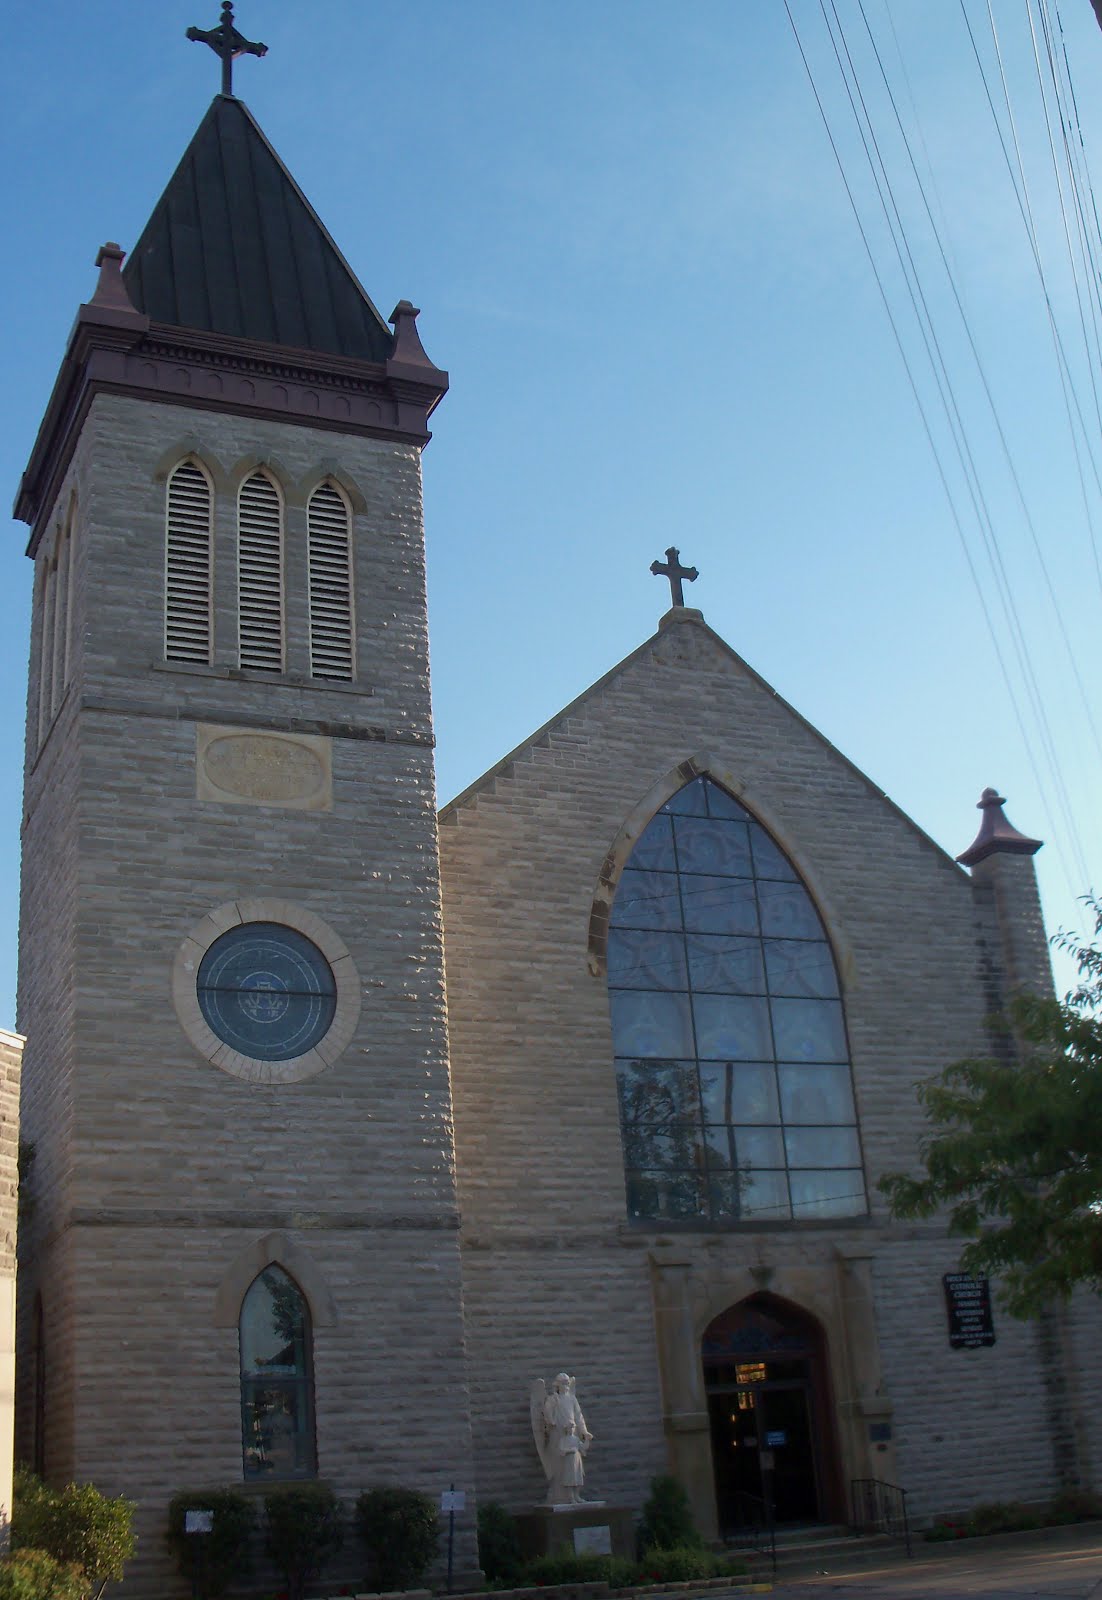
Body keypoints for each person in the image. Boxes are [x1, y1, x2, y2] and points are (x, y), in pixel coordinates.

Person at [541, 1374, 592, 1505]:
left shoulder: (572, 1399)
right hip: (558, 1434)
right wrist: (551, 1419)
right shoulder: (553, 1399)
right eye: (563, 1383)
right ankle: (560, 1496)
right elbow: (547, 1413)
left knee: (574, 1468)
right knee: (560, 1466)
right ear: (557, 1385)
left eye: (567, 1383)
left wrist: (584, 1432)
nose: (566, 1386)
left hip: (571, 1433)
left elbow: (579, 1417)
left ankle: (575, 1495)